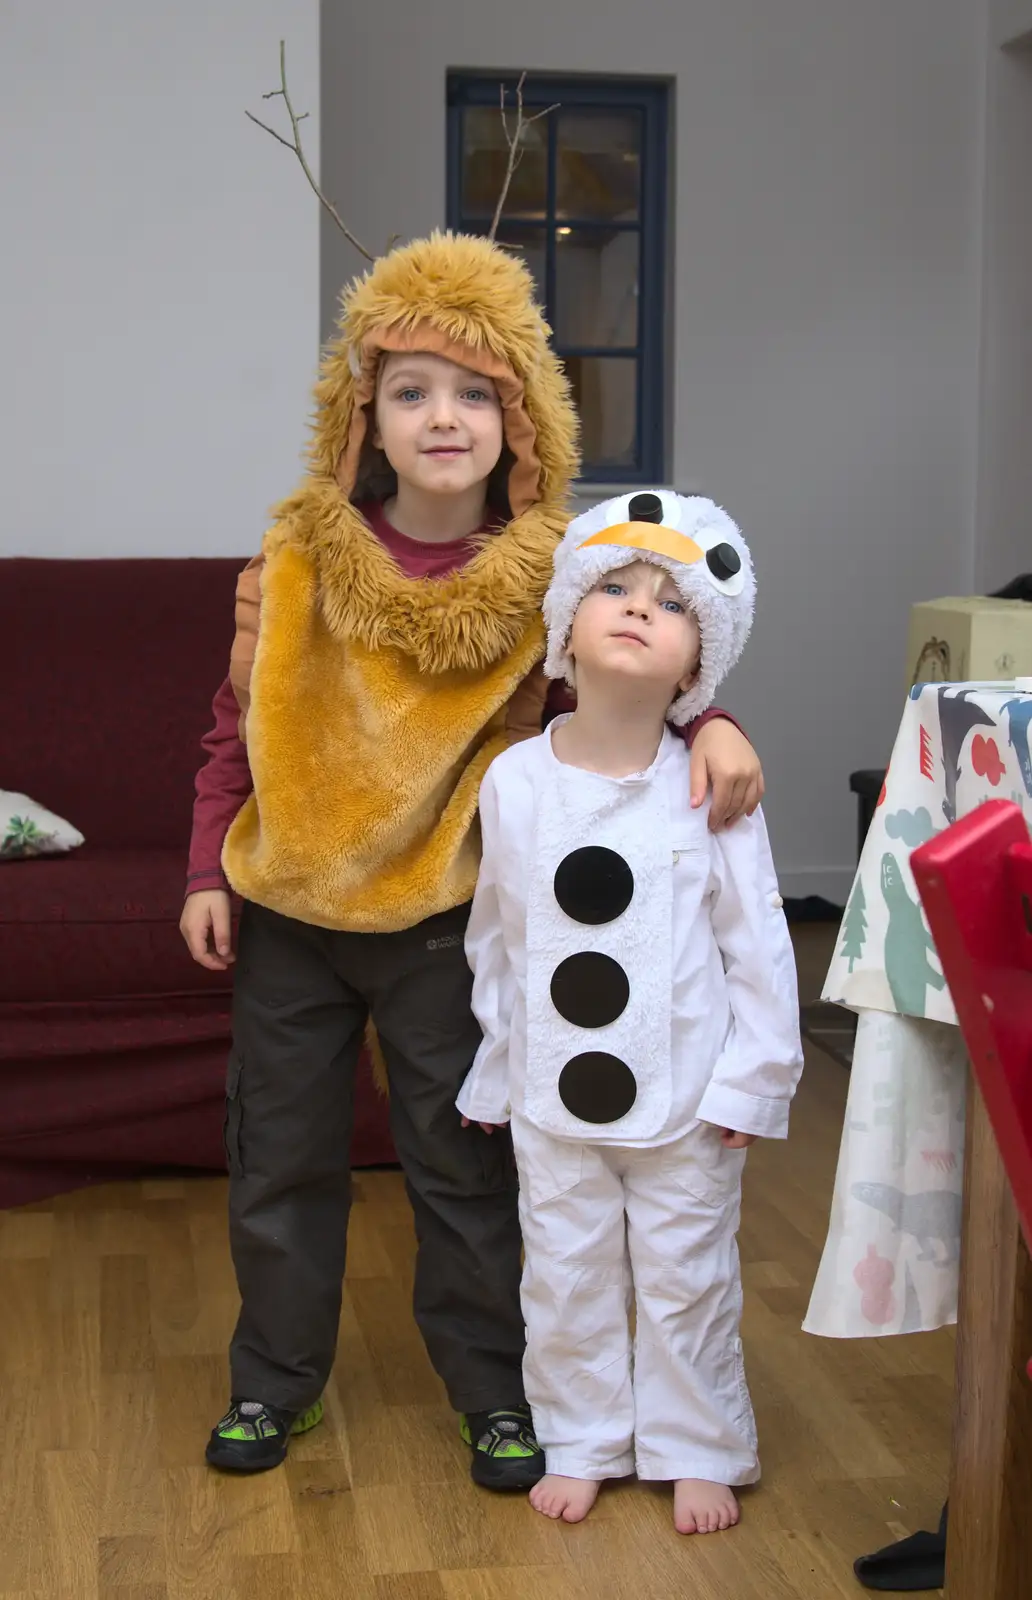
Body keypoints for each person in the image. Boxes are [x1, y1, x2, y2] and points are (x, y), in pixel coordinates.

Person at [179, 233, 765, 1487]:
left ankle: (497, 1391)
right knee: (277, 1158)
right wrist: (199, 870)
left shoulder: (551, 579)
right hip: (289, 907)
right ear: (364, 420)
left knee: (464, 1164)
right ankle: (272, 1382)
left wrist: (709, 717)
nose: (442, 416)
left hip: (449, 915)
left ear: (521, 417)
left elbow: (624, 676)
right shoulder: (294, 561)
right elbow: (238, 722)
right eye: (409, 391)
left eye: (474, 391)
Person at [458, 488, 804, 1529]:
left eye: (670, 602)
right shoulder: (514, 782)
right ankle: (583, 1434)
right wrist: (494, 1066)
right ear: (568, 621)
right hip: (551, 1096)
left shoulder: (712, 789)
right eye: (613, 585)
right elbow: (498, 936)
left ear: (699, 665)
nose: (638, 608)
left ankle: (700, 1439)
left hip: (687, 1099)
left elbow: (761, 945)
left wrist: (755, 1076)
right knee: (562, 1275)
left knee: (686, 1274)